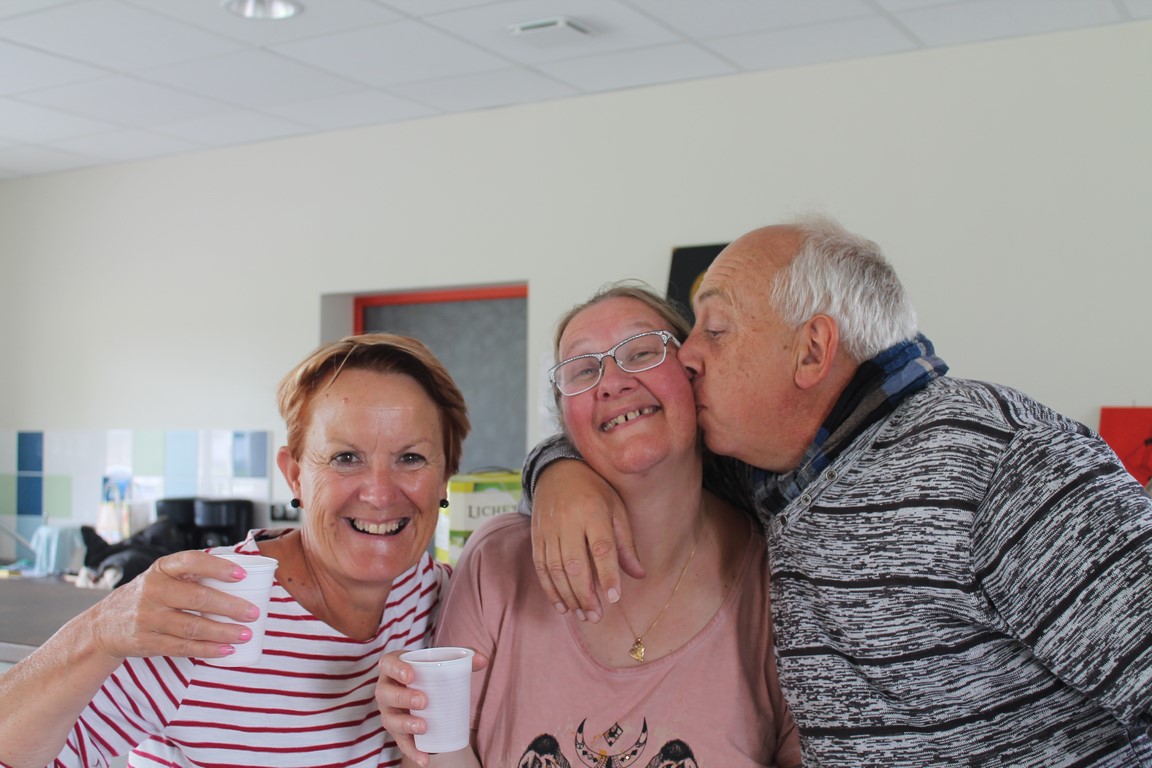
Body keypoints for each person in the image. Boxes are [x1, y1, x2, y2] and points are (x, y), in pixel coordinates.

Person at [523, 217, 1152, 766]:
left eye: (715, 329)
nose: (687, 358)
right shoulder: (776, 478)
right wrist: (558, 472)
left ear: (812, 351)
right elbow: (642, 450)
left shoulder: (997, 461)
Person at [0, 333, 470, 768]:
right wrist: (98, 629)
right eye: (345, 458)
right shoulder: (210, 607)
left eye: (411, 458)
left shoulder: (447, 598)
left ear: (444, 477)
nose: (380, 493)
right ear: (295, 476)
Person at [378, 284, 800, 767]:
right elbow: (436, 753)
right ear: (565, 422)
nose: (612, 382)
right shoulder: (497, 561)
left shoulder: (780, 580)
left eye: (642, 351)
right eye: (582, 369)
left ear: (694, 377)